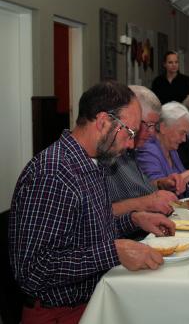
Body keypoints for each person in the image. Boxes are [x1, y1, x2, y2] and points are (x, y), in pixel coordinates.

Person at [9, 81, 175, 324]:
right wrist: (114, 251)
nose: (131, 144)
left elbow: (88, 236)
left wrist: (134, 219)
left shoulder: (92, 163)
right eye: (129, 133)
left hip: (91, 298)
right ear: (103, 122)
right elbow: (33, 271)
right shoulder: (53, 173)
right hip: (60, 312)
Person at [107, 85, 186, 217]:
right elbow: (97, 215)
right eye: (148, 125)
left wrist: (161, 184)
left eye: (153, 126)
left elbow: (138, 189)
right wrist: (143, 203)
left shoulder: (131, 151)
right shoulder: (109, 152)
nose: (152, 133)